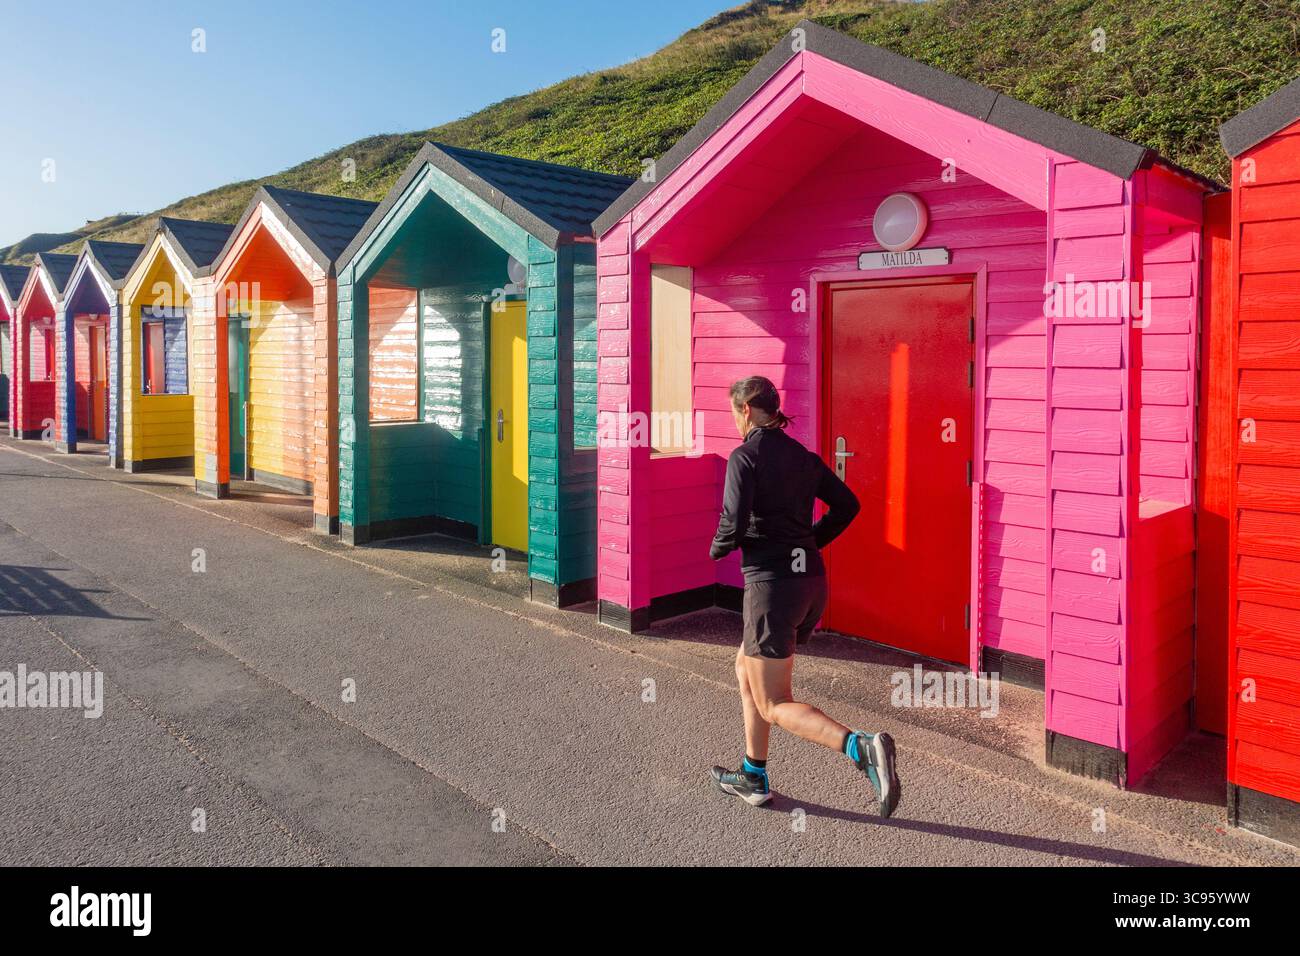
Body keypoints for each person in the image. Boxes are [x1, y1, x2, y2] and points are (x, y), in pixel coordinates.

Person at [708, 376, 900, 818]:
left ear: (745, 411)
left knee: (774, 702)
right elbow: (848, 505)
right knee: (745, 670)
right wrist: (810, 540)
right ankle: (752, 774)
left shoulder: (745, 457)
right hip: (809, 582)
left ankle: (860, 746)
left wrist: (716, 548)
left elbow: (732, 524)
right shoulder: (802, 456)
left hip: (772, 590)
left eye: (734, 413)